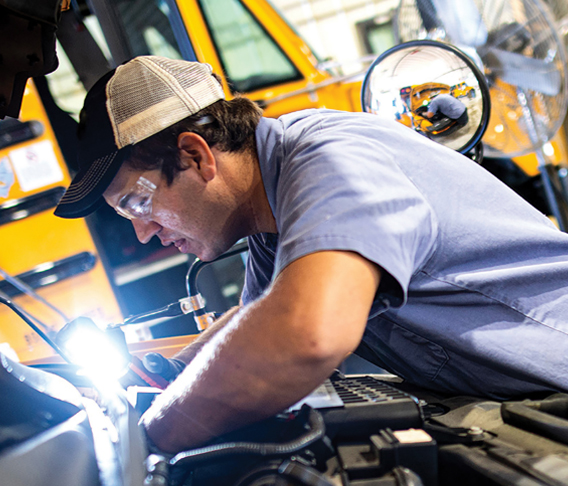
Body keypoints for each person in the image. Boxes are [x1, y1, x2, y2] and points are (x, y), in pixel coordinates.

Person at [55, 55, 568, 453]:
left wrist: (151, 432)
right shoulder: (267, 216)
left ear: (195, 155)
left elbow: (304, 334)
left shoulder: (327, 158)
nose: (142, 233)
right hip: (525, 398)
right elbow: (257, 320)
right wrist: (163, 375)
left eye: (138, 202)